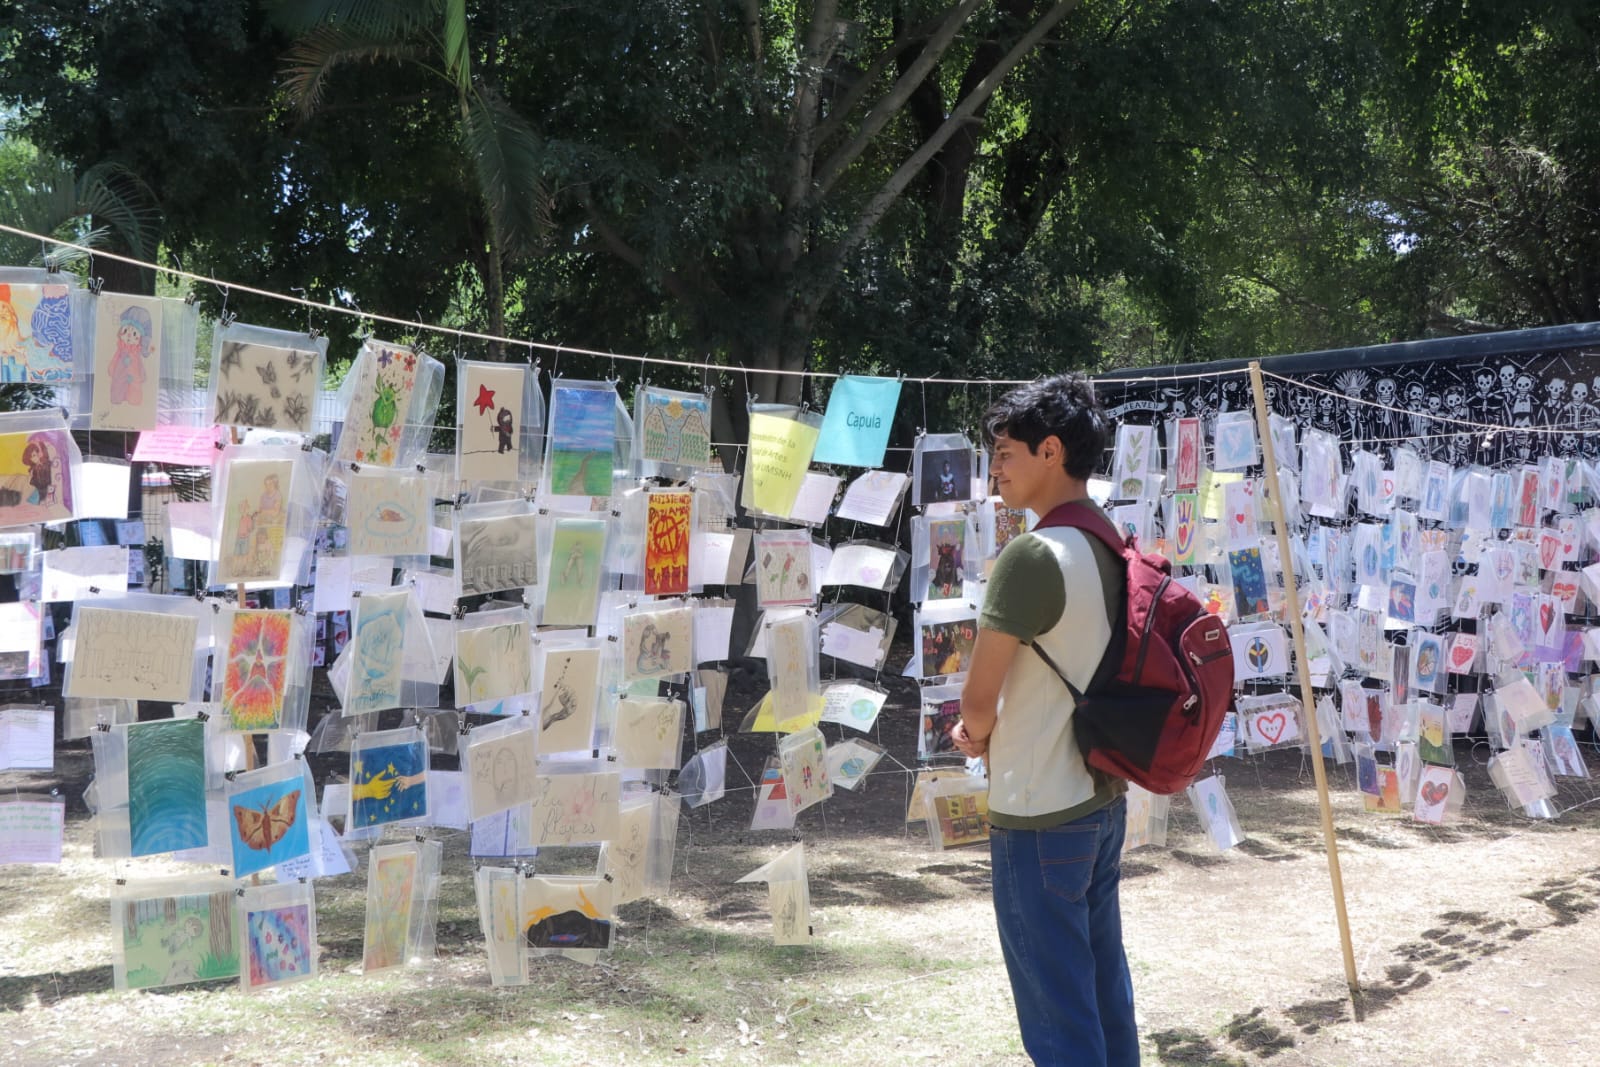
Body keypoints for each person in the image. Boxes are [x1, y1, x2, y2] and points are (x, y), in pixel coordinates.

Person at [951, 373, 1137, 1066]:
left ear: (1050, 451)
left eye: (1005, 452)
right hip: (1098, 796)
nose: (995, 468)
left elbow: (977, 700)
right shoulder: (1106, 540)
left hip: (1037, 811)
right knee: (1103, 992)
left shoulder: (1031, 554)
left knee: (1059, 1020)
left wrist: (976, 731)